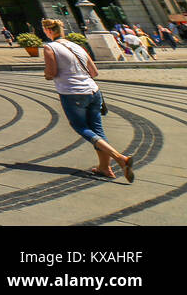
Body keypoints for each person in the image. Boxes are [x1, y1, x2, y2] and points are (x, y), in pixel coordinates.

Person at [41, 18, 134, 181]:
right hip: (93, 91)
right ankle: (105, 168)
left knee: (81, 127)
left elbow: (52, 72)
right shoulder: (78, 47)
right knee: (97, 130)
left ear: (48, 31)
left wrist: (48, 75)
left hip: (72, 93)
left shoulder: (50, 47)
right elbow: (94, 72)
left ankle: (120, 158)